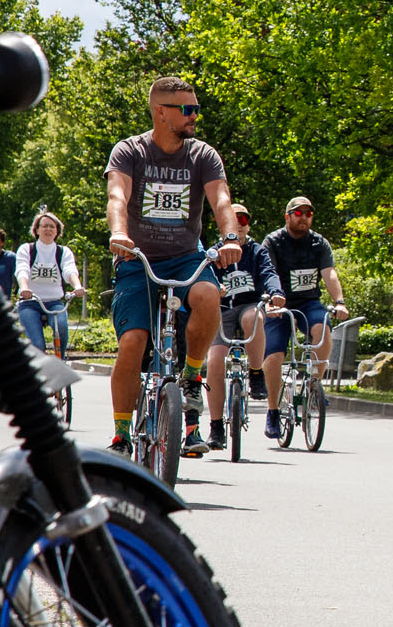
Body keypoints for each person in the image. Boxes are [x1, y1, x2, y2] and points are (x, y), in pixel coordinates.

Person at [105, 76, 243, 457]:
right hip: (138, 258)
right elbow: (118, 196)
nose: (195, 116)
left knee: (209, 296)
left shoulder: (203, 155)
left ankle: (192, 376)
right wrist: (120, 234)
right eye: (188, 109)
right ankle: (121, 434)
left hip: (186, 258)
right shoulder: (129, 151)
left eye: (196, 108)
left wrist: (230, 237)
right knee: (133, 341)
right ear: (161, 112)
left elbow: (221, 201)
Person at [260, 196, 348, 439]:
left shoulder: (319, 243)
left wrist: (339, 301)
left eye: (308, 213)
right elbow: (269, 273)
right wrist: (272, 300)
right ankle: (273, 411)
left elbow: (329, 273)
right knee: (275, 355)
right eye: (298, 213)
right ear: (287, 216)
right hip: (279, 302)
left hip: (309, 301)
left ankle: (314, 386)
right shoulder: (274, 242)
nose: (304, 217)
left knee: (323, 329)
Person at [200, 202, 285, 451]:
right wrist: (215, 287)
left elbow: (269, 273)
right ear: (221, 223)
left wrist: (276, 293)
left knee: (254, 318)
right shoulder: (213, 253)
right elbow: (204, 276)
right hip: (223, 310)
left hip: (249, 305)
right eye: (233, 218)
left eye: (243, 220)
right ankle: (216, 428)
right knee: (214, 361)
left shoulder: (257, 252)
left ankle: (256, 374)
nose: (238, 223)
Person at [14, 212, 85, 355]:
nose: (48, 229)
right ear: (37, 230)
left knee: (62, 327)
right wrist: (24, 288)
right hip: (30, 302)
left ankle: (61, 358)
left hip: (54, 302)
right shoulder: (27, 249)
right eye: (44, 226)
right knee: (38, 345)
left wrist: (77, 286)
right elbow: (22, 270)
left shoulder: (63, 252)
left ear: (57, 231)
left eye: (52, 227)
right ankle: (39, 370)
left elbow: (69, 270)